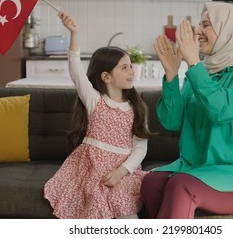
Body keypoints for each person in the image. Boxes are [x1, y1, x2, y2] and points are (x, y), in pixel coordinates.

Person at [140, 2, 233, 219]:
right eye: (199, 24)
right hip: (199, 167)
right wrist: (171, 74)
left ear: (228, 30)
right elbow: (172, 122)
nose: (198, 31)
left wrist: (192, 64)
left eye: (206, 25)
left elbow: (222, 110)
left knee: (182, 186)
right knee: (151, 183)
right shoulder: (202, 71)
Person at [44, 11, 153, 219]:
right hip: (92, 167)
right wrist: (74, 33)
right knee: (95, 202)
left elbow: (141, 147)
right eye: (124, 67)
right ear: (106, 77)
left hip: (124, 169)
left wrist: (122, 171)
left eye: (131, 66)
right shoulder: (94, 100)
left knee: (124, 205)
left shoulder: (138, 107)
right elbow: (76, 70)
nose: (131, 71)